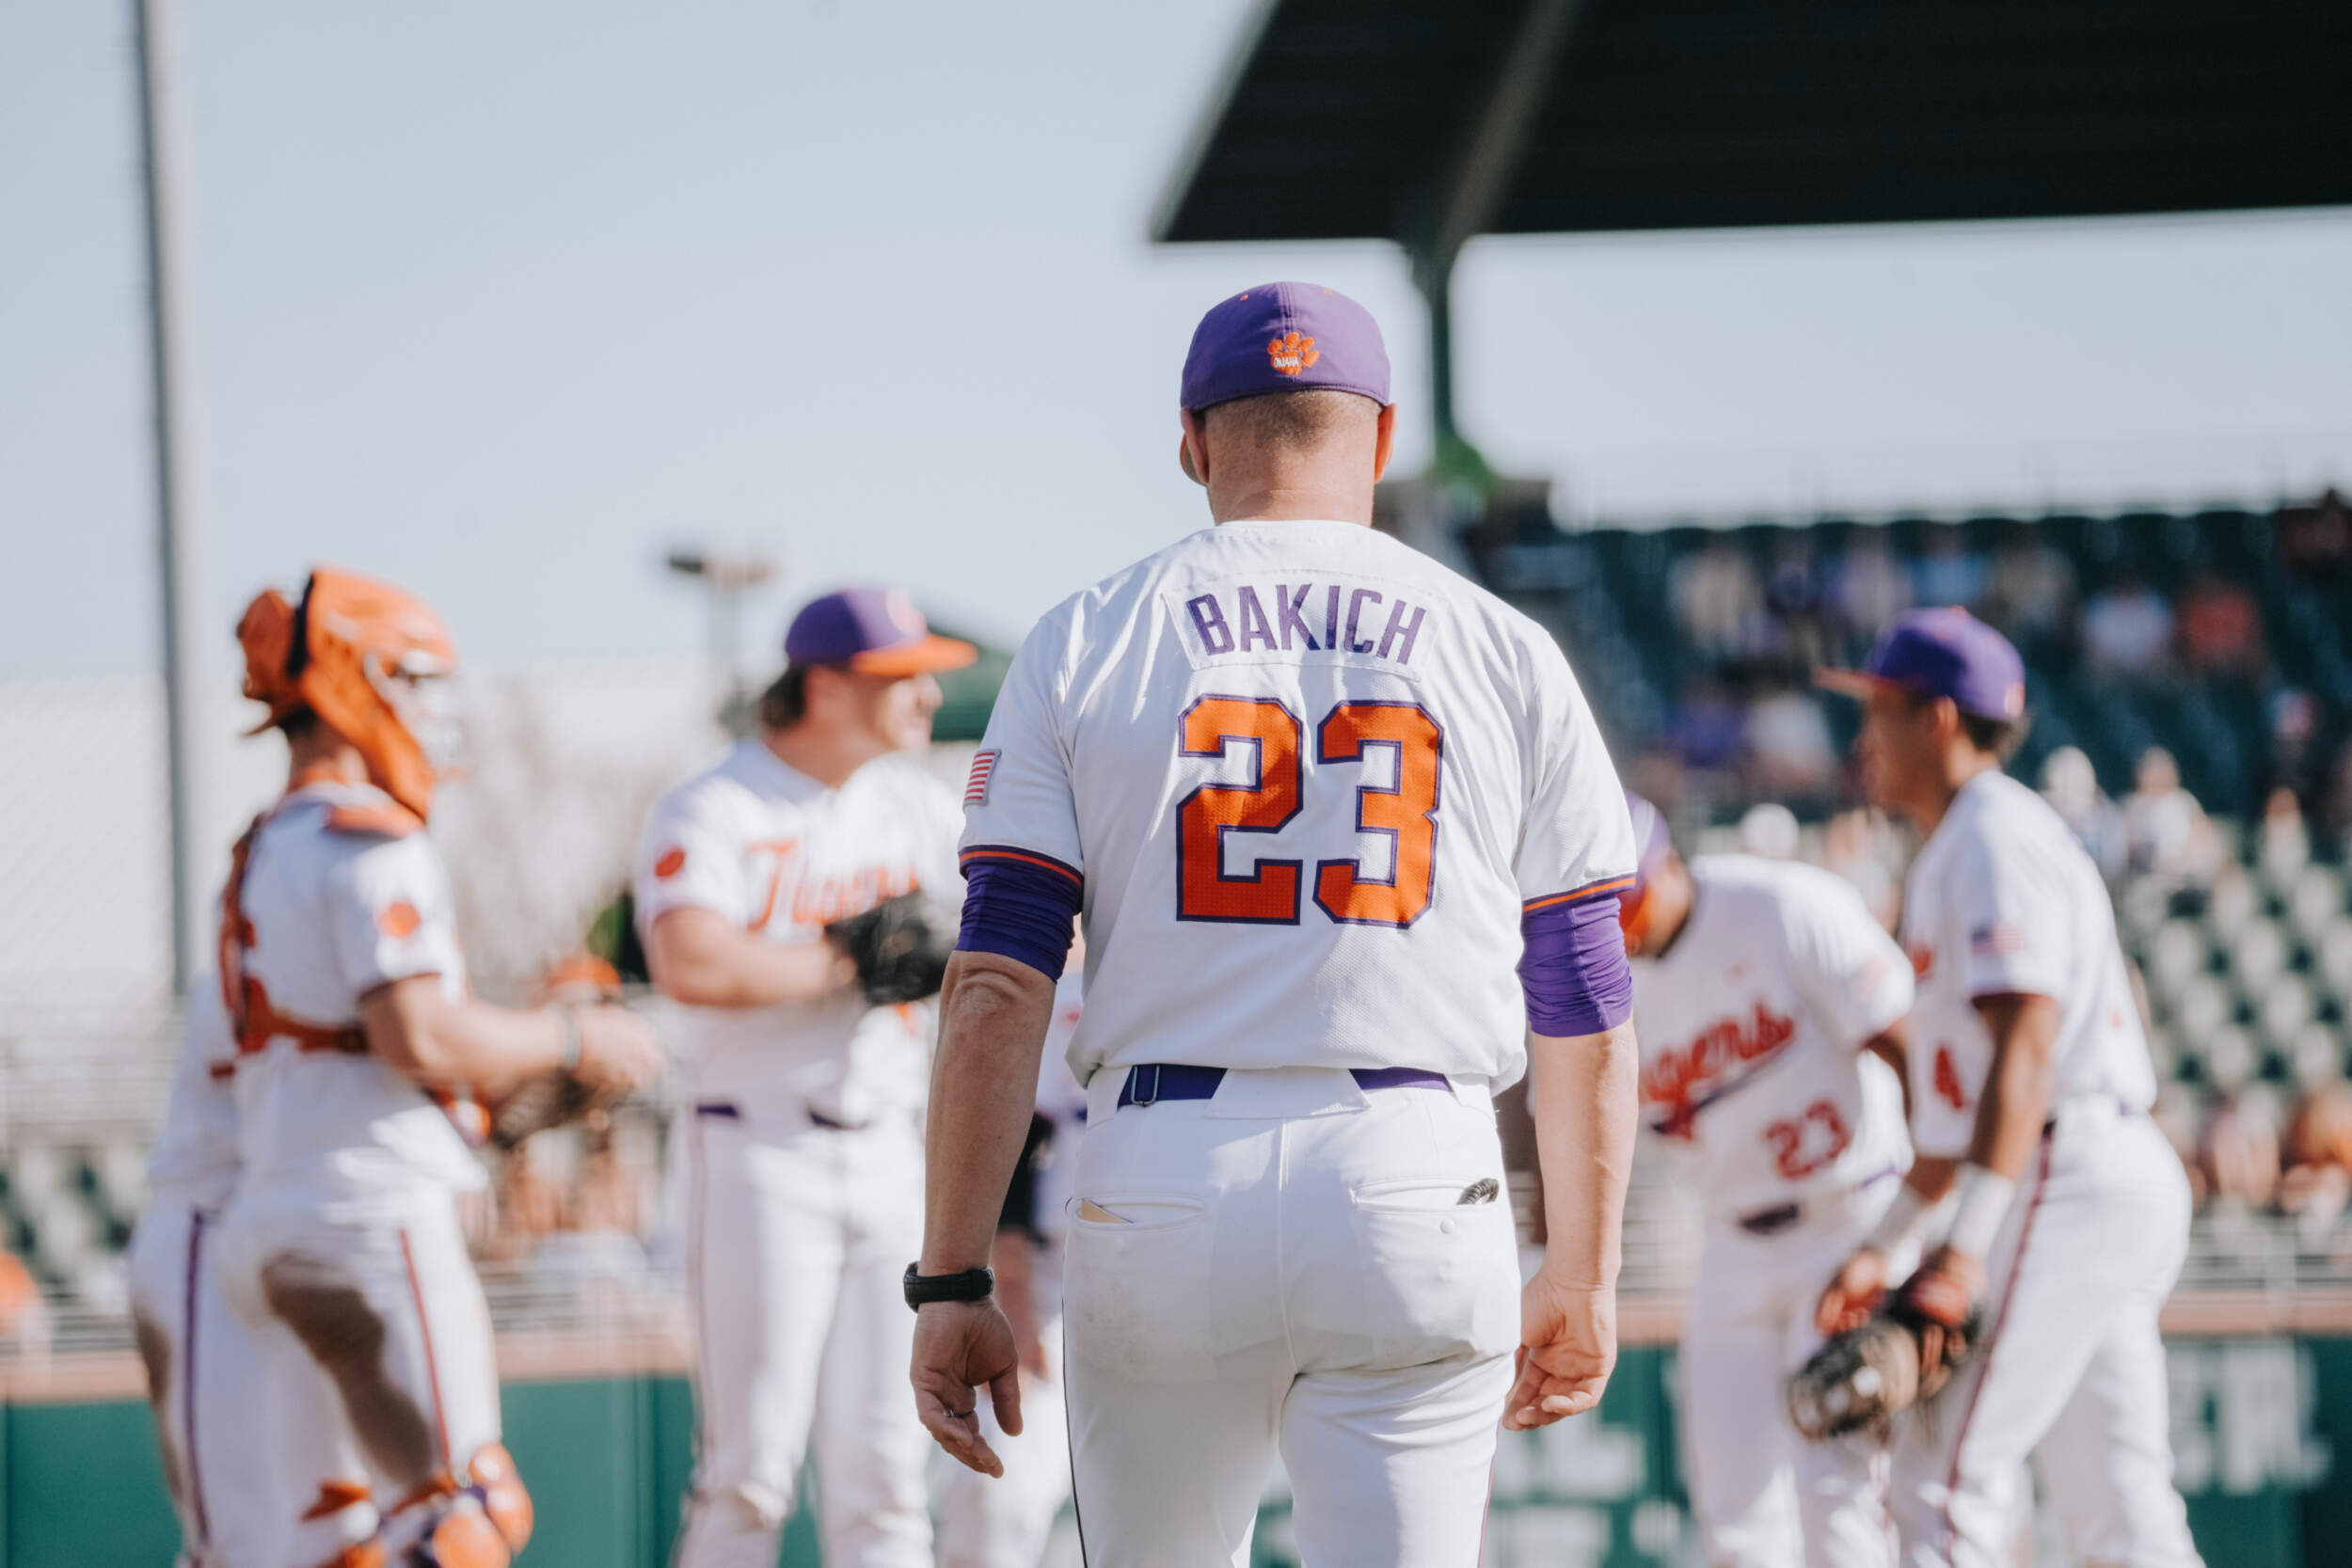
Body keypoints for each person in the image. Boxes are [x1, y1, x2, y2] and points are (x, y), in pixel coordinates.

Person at [909, 282, 1641, 1566]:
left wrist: (955, 1271)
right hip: (1415, 1162)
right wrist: (1582, 1271)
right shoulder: (1507, 646)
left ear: (1191, 439)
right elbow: (1581, 995)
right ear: (1383, 433)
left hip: (1164, 1165)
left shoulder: (1087, 635)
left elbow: (996, 986)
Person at [211, 567, 664, 1567]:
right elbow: (416, 1032)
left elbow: (341, 1040)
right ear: (354, 677)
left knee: (331, 1539)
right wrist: (573, 1038)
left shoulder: (263, 843)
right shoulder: (368, 838)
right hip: (370, 1213)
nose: (427, 708)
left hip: (272, 1214)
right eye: (412, 680)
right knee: (463, 1514)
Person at [1815, 608, 2201, 1568]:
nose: (1865, 736)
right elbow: (1954, 1124)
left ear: (1938, 718)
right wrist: (1883, 1245)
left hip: (2065, 1163)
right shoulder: (1963, 842)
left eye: (1880, 710)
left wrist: (1961, 1250)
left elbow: (2025, 1050)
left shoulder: (1991, 834)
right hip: (2082, 1162)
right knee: (2117, 1508)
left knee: (1939, 1476)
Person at [636, 588, 974, 1568]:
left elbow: (1010, 929)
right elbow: (691, 959)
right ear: (824, 687)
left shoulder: (912, 799)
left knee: (889, 1481)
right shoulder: (717, 802)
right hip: (760, 1149)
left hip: (888, 1149)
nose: (925, 695)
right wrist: (845, 961)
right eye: (900, 676)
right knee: (750, 1475)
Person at [1618, 794, 1915, 1568]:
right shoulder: (1598, 971)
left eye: (1624, 900)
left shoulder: (1783, 906)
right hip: (1731, 1243)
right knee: (1732, 1511)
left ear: (1664, 862)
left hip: (1849, 1218)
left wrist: (1916, 1229)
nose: (1617, 926)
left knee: (1838, 1495)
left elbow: (1915, 1051)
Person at [125, 989, 293, 1568]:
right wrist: (549, 1039)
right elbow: (416, 1036)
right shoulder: (257, 955)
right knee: (246, 1545)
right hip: (215, 1229)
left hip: (299, 1246)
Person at [934, 958, 1088, 1568]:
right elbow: (1014, 1141)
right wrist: (1015, 1297)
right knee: (1003, 1490)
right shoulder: (1065, 994)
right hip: (1053, 1279)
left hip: (1171, 1272)